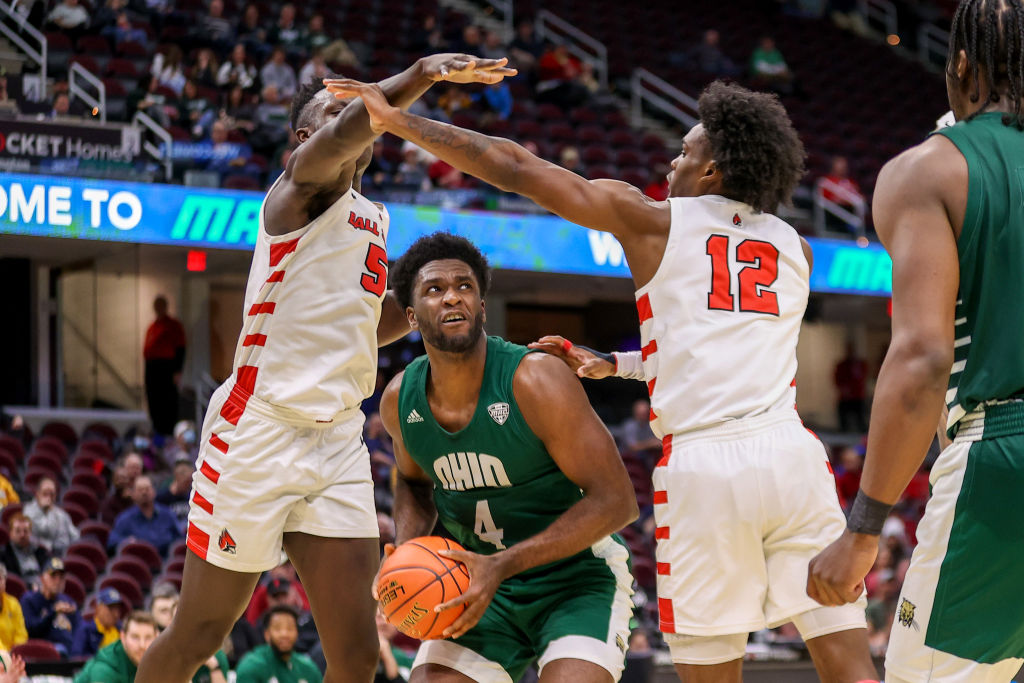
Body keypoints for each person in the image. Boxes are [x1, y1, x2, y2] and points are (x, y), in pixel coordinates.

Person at [327, 77, 879, 682]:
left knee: (711, 670)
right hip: (792, 456)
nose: (673, 162)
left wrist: (399, 121)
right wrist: (616, 364)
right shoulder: (794, 245)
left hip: (705, 466)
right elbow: (721, 348)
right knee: (849, 664)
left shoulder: (652, 221)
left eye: (685, 152)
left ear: (714, 170)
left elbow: (515, 166)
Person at [134, 53, 514, 683]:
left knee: (360, 654)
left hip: (338, 440)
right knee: (200, 631)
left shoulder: (374, 217)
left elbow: (369, 319)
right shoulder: (294, 195)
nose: (356, 118)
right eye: (337, 112)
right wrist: (421, 74)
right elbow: (353, 128)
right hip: (258, 432)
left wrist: (426, 312)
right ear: (306, 140)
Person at [808, 1, 1024, 680]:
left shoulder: (929, 169)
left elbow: (924, 356)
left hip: (1005, 455)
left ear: (961, 65)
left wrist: (864, 528)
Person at [377, 233, 638, 681]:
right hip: (477, 584)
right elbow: (415, 484)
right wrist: (407, 546)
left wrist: (501, 566)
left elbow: (617, 502)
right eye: (434, 289)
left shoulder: (536, 379)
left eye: (464, 286)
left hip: (576, 581)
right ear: (411, 316)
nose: (451, 296)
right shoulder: (401, 400)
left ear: (481, 306)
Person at [235, 606, 321, 683]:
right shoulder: (251, 665)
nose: (284, 634)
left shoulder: (309, 668)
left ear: (297, 633)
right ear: (267, 634)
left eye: (290, 628)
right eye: (277, 628)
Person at [73, 611, 159, 683]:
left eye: (148, 638)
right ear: (123, 637)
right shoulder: (104, 669)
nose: (142, 645)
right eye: (135, 637)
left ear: (156, 637)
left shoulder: (158, 659)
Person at [144, 296, 186, 437]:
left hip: (166, 368)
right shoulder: (153, 326)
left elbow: (180, 348)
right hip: (152, 368)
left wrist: (177, 370)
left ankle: (168, 432)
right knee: (153, 401)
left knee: (167, 402)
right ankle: (157, 431)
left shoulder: (173, 325)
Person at [108, 475, 182, 556]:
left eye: (147, 489)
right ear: (133, 495)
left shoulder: (168, 515)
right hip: (137, 562)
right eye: (140, 490)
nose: (144, 493)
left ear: (154, 492)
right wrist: (125, 542)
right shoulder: (125, 518)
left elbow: (180, 539)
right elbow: (112, 542)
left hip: (164, 561)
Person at [21, 558, 78, 656]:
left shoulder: (68, 601)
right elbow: (30, 631)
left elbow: (78, 629)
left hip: (70, 655)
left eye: (61, 577)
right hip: (43, 656)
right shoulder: (29, 599)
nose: (58, 581)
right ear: (42, 578)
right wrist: (53, 612)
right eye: (53, 576)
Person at [23, 477, 79, 555]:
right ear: (37, 494)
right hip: (36, 554)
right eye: (45, 493)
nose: (48, 498)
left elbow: (75, 537)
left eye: (52, 494)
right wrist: (47, 510)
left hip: (61, 555)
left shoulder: (62, 514)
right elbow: (45, 530)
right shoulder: (29, 511)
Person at [71, 587, 125, 657]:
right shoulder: (85, 630)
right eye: (111, 608)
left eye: (118, 609)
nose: (116, 614)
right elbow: (76, 658)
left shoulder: (122, 631)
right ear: (98, 607)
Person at [1, 514, 48, 585]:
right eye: (18, 531)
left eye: (25, 531)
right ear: (10, 533)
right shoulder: (3, 554)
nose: (22, 535)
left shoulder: (40, 551)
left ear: (30, 533)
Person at [834, 342, 869, 432]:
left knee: (860, 420)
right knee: (844, 421)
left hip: (857, 396)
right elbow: (837, 379)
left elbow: (862, 378)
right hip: (845, 397)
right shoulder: (842, 365)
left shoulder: (859, 364)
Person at [156, 457, 194, 531]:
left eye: (190, 482)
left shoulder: (191, 497)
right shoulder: (162, 498)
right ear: (177, 477)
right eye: (187, 482)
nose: (189, 485)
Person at [0, 564, 27, 651]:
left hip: (13, 655)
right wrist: (5, 654)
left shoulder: (13, 603)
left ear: (5, 581)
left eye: (0, 579)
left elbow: (21, 634)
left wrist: (16, 651)